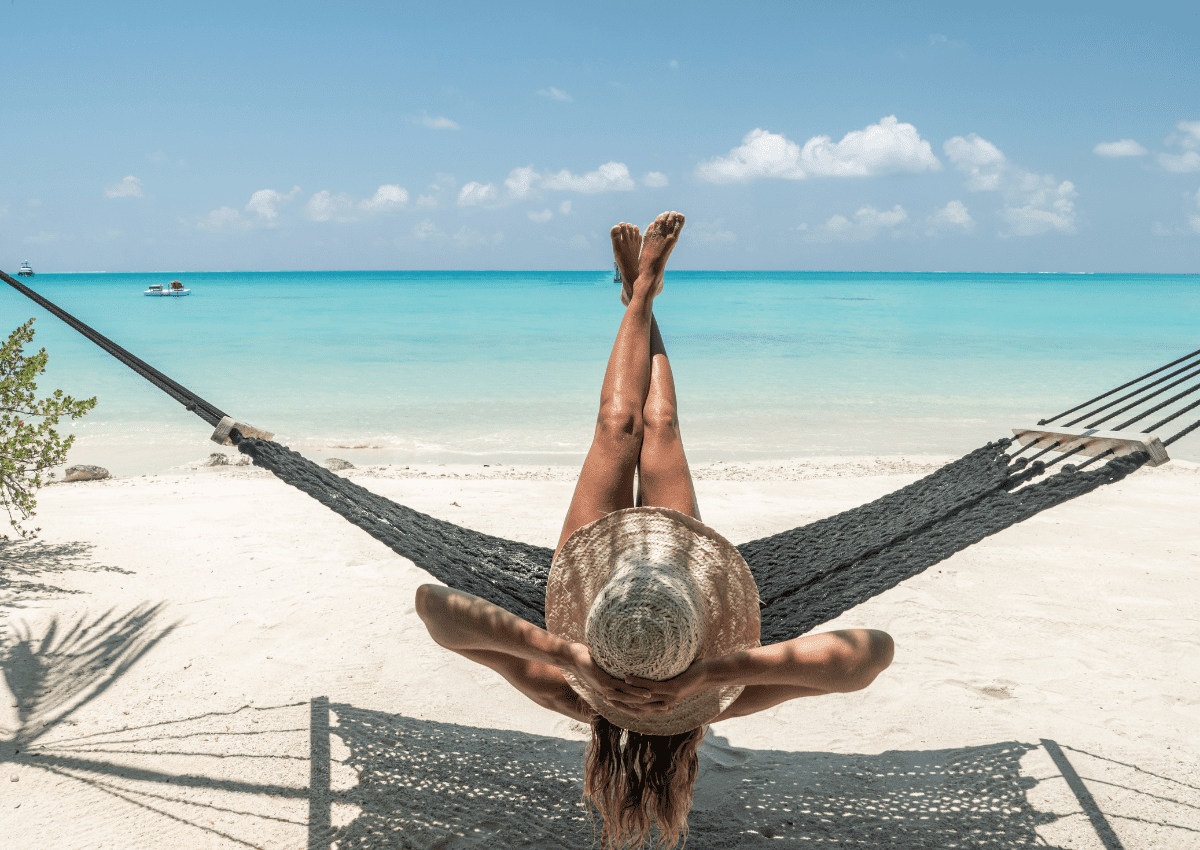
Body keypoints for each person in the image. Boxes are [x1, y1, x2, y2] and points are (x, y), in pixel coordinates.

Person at [416, 211, 894, 849]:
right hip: (674, 583)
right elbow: (868, 656)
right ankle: (641, 290)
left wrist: (567, 653)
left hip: (597, 587)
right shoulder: (720, 694)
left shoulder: (568, 692)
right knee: (661, 427)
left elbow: (433, 608)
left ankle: (638, 291)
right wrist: (711, 671)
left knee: (618, 427)